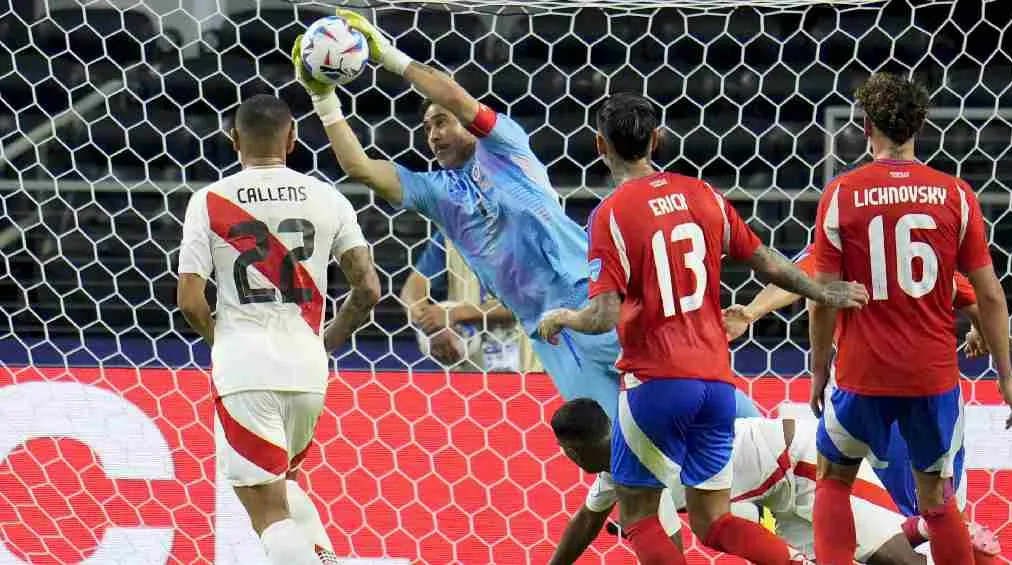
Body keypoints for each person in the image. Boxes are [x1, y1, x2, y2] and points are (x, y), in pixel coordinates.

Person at [290, 9, 761, 420]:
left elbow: (454, 95)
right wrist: (322, 96)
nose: (431, 134)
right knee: (610, 446)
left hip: (598, 300)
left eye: (440, 121)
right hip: (548, 336)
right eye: (425, 126)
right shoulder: (436, 192)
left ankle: (777, 449)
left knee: (697, 398)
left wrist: (388, 56)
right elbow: (359, 168)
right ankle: (654, 517)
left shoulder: (505, 147)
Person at [538, 92, 868, 564]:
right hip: (716, 384)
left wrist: (563, 317)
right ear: (657, 139)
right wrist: (823, 292)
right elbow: (765, 260)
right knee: (713, 521)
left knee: (638, 516)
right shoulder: (703, 195)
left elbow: (603, 315)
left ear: (599, 145)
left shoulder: (609, 215)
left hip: (656, 384)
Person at [805, 73, 1012, 565]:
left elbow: (821, 297)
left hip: (863, 374)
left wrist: (819, 373)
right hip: (931, 376)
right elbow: (989, 294)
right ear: (922, 124)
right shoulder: (955, 194)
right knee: (938, 502)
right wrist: (1007, 379)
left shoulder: (841, 193)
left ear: (864, 126)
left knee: (833, 480)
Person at [176, 94, 381, 565]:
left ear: (233, 140)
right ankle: (326, 559)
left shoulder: (209, 201)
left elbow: (189, 300)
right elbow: (368, 288)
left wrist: (222, 340)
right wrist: (324, 340)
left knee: (266, 513)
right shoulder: (329, 197)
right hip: (307, 369)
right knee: (284, 490)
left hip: (245, 367)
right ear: (292, 139)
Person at [723, 244, 1001, 561]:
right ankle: (942, 535)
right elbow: (978, 299)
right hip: (932, 394)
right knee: (933, 517)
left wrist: (753, 311)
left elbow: (797, 279)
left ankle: (934, 535)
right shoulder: (921, 242)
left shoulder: (848, 236)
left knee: (878, 531)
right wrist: (980, 331)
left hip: (869, 398)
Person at [549, 398, 933, 565]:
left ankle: (941, 531)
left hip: (800, 463)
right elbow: (586, 521)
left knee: (895, 559)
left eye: (566, 451)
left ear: (575, 449)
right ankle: (930, 529)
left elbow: (670, 550)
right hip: (773, 499)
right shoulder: (618, 468)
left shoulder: (642, 467)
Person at [402, 230, 522, 369]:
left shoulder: (529, 231)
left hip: (530, 365)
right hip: (469, 367)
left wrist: (457, 314)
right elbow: (414, 286)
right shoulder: (449, 233)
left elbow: (533, 303)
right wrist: (430, 324)